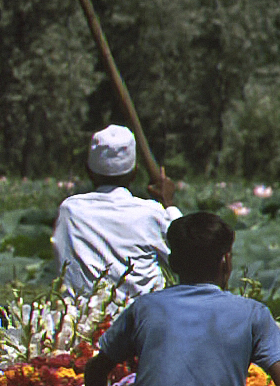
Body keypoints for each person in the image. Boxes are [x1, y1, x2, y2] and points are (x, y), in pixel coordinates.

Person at [84, 211, 280, 386]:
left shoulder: (145, 307)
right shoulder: (254, 314)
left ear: (173, 263)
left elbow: (95, 370)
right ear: (226, 261)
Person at [51, 124, 182, 299]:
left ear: (88, 171)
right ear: (135, 172)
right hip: (142, 322)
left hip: (83, 322)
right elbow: (189, 252)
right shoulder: (151, 213)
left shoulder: (69, 211)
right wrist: (169, 204)